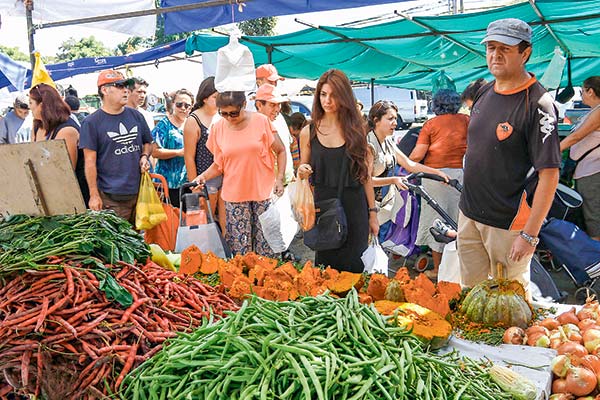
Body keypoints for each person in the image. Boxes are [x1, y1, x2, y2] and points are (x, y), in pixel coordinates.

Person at [458, 18, 561, 295]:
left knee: (509, 307)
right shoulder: (483, 92)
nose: (495, 55)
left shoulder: (538, 104)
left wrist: (530, 235)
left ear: (525, 53)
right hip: (469, 216)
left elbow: (549, 175)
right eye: (491, 47)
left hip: (508, 226)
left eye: (505, 48)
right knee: (471, 298)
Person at [297, 69, 378, 273]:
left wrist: (373, 213)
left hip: (355, 209)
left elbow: (365, 176)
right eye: (323, 94)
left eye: (334, 95)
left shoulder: (356, 130)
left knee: (356, 272)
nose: (328, 100)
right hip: (324, 211)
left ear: (344, 97)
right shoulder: (309, 131)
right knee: (326, 273)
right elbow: (302, 170)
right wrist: (302, 172)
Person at [192, 91, 286, 258]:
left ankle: (267, 282)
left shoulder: (261, 121)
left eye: (233, 113)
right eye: (224, 113)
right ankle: (243, 282)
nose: (229, 117)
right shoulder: (218, 127)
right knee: (240, 250)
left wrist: (279, 179)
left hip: (262, 193)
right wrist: (203, 177)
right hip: (234, 196)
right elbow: (219, 164)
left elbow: (281, 150)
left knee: (266, 248)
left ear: (244, 105)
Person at [80, 69, 154, 224]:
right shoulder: (92, 122)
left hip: (141, 193)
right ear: (105, 90)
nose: (126, 90)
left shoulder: (136, 115)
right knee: (122, 244)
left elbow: (148, 142)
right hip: (111, 197)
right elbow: (89, 161)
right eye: (119, 86)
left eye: (127, 86)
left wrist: (144, 156)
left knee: (143, 242)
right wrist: (94, 195)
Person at [409, 89, 468, 278]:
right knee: (461, 222)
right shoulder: (467, 121)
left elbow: (417, 155)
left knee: (437, 221)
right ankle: (461, 268)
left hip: (435, 177)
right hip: (462, 175)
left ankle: (438, 268)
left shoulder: (431, 124)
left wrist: (406, 162)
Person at [29, 83, 89, 205]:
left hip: (70, 194)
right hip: (46, 190)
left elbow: (65, 171)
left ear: (42, 105)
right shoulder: (37, 125)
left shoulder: (67, 130)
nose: (29, 107)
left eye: (31, 103)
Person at [559, 76, 600, 240]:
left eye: (582, 91)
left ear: (591, 91)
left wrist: (551, 151)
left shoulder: (598, 112)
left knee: (593, 219)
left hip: (593, 172)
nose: (581, 94)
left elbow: (576, 137)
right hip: (585, 171)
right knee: (588, 216)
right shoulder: (594, 110)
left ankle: (596, 259)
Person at [183, 76, 225, 229]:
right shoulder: (193, 120)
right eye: (216, 97)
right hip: (204, 179)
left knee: (225, 222)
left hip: (224, 175)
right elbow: (188, 156)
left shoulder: (222, 116)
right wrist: (195, 185)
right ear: (205, 98)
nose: (219, 100)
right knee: (207, 222)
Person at [152, 88, 193, 208]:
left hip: (188, 183)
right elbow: (154, 152)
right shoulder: (164, 125)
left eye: (187, 105)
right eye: (179, 105)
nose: (183, 108)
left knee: (188, 220)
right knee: (171, 221)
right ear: (173, 104)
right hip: (167, 185)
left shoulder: (191, 123)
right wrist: (178, 152)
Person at [255, 64, 295, 184]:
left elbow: (288, 145)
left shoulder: (279, 116)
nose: (274, 85)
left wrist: (289, 172)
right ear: (258, 82)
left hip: (284, 183)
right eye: (271, 82)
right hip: (268, 187)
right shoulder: (253, 116)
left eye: (276, 82)